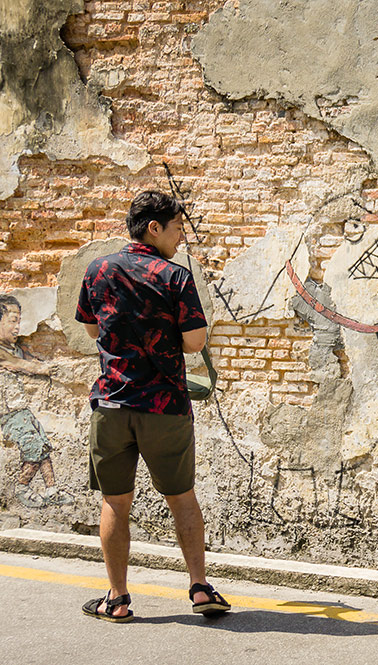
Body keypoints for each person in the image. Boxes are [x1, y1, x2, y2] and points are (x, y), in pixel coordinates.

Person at [75, 191, 229, 622]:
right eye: (177, 228)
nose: (182, 237)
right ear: (154, 228)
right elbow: (196, 342)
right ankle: (199, 589)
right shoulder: (175, 277)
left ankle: (117, 599)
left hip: (112, 405)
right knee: (182, 499)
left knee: (114, 502)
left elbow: (90, 329)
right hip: (165, 407)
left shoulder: (97, 269)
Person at [0, 295, 73, 508]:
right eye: (12, 320)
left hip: (21, 411)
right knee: (34, 447)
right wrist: (44, 369)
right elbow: (21, 365)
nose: (17, 327)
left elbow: (30, 360)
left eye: (19, 321)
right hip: (7, 416)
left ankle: (51, 490)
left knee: (44, 446)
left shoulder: (15, 349)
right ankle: (22, 486)